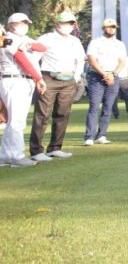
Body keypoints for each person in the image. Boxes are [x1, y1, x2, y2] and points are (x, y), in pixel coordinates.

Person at [29, 11, 86, 162]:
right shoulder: (46, 38)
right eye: (65, 23)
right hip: (49, 77)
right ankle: (36, 150)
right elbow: (34, 59)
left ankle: (55, 148)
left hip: (68, 80)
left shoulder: (75, 41)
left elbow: (80, 60)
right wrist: (38, 78)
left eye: (70, 23)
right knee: (42, 114)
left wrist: (75, 77)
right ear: (57, 24)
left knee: (63, 114)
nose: (67, 26)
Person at [0, 13, 47, 167]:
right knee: (17, 121)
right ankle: (17, 156)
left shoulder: (23, 40)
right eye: (21, 23)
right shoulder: (6, 38)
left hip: (21, 80)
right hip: (14, 79)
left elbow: (42, 47)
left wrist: (28, 45)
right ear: (11, 25)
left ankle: (6, 155)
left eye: (26, 22)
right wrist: (38, 78)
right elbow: (22, 59)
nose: (24, 25)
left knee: (13, 121)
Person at [84, 18, 126, 146]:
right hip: (97, 76)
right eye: (109, 27)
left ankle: (101, 135)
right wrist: (104, 74)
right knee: (94, 107)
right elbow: (91, 59)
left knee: (108, 108)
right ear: (103, 28)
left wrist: (113, 75)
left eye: (113, 27)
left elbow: (122, 61)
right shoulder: (96, 42)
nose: (111, 29)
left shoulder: (119, 44)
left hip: (113, 77)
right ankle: (89, 136)